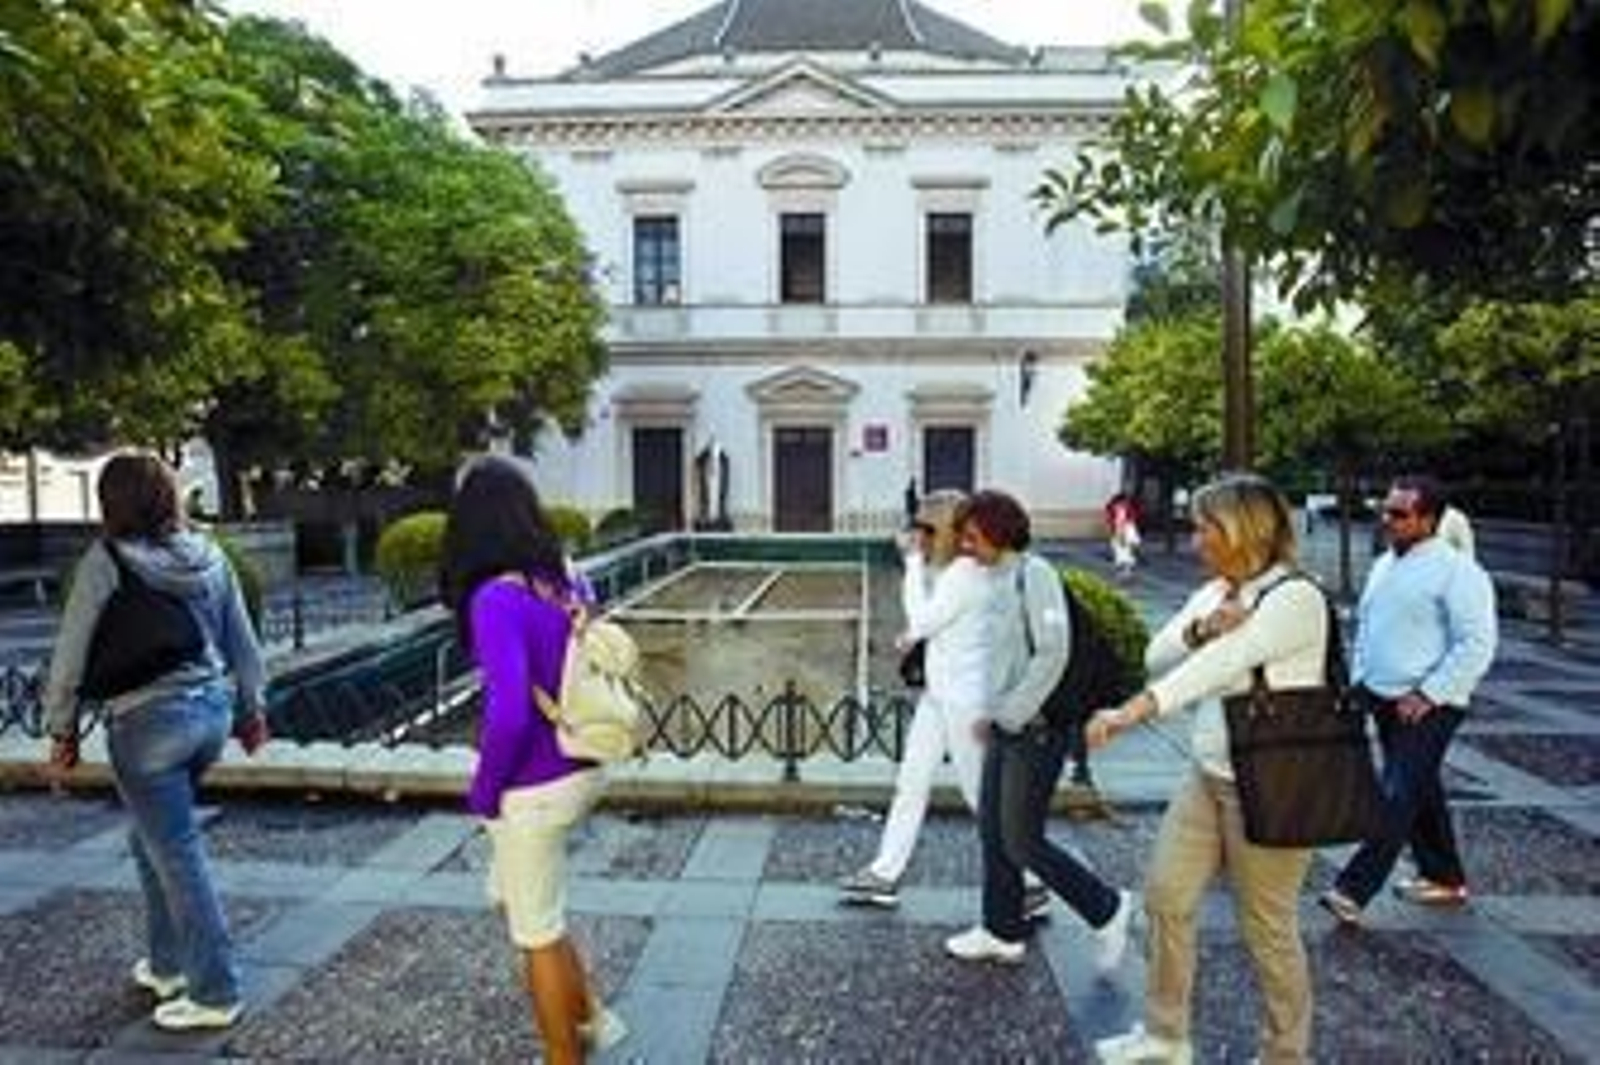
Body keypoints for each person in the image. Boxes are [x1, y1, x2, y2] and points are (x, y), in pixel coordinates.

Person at [1086, 473, 1327, 1064]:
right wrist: (1201, 625)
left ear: (1243, 529)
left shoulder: (1295, 597)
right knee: (1166, 898)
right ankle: (1167, 1037)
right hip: (1209, 775)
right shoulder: (1219, 591)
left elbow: (1219, 667)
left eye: (1204, 527)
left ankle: (1285, 1055)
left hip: (1272, 782)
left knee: (1267, 928)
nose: (1195, 539)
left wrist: (1131, 713)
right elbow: (1159, 653)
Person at [43, 451, 268, 1031]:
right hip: (209, 718)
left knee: (175, 850)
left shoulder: (107, 560)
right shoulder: (211, 555)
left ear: (111, 503)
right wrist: (252, 712)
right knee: (154, 837)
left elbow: (69, 653)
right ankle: (168, 965)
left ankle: (215, 989)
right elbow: (243, 644)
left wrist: (61, 730)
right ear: (169, 497)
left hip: (146, 727)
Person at [440, 455, 624, 1063]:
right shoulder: (564, 580)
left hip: (535, 785)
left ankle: (563, 1054)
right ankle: (590, 1017)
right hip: (583, 762)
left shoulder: (495, 598)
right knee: (535, 905)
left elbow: (511, 712)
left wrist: (485, 790)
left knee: (535, 932)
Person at [943, 490, 1133, 969]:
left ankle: (1107, 908)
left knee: (1022, 839)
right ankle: (1001, 930)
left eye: (972, 536)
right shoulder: (997, 577)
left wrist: (1009, 713)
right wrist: (994, 713)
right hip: (1010, 724)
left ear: (998, 531)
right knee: (993, 830)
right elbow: (1008, 658)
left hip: (1039, 728)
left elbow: (1053, 651)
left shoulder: (1036, 574)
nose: (967, 546)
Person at [839, 491, 1047, 915]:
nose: (918, 535)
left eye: (925, 528)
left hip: (967, 705)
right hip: (940, 696)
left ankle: (1030, 884)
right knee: (912, 782)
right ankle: (884, 873)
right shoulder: (962, 571)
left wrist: (912, 563)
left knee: (981, 798)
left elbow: (921, 621)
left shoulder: (967, 573)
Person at [1319, 475, 1496, 925]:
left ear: (1429, 520)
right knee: (1419, 789)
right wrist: (1361, 680)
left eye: (1399, 514)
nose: (1387, 520)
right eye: (1385, 509)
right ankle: (1444, 877)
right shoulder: (1385, 565)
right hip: (1384, 698)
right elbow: (1371, 626)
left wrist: (1428, 693)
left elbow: (1478, 643)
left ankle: (1352, 890)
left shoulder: (1459, 572)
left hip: (1431, 705)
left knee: (1395, 794)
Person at [1106, 491, 1142, 579]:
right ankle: (1124, 571)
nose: (1125, 503)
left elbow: (1130, 520)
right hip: (1121, 530)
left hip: (1125, 530)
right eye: (1124, 501)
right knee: (1121, 551)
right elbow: (1114, 521)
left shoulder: (1125, 509)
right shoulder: (1117, 509)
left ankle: (1126, 571)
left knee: (1125, 551)